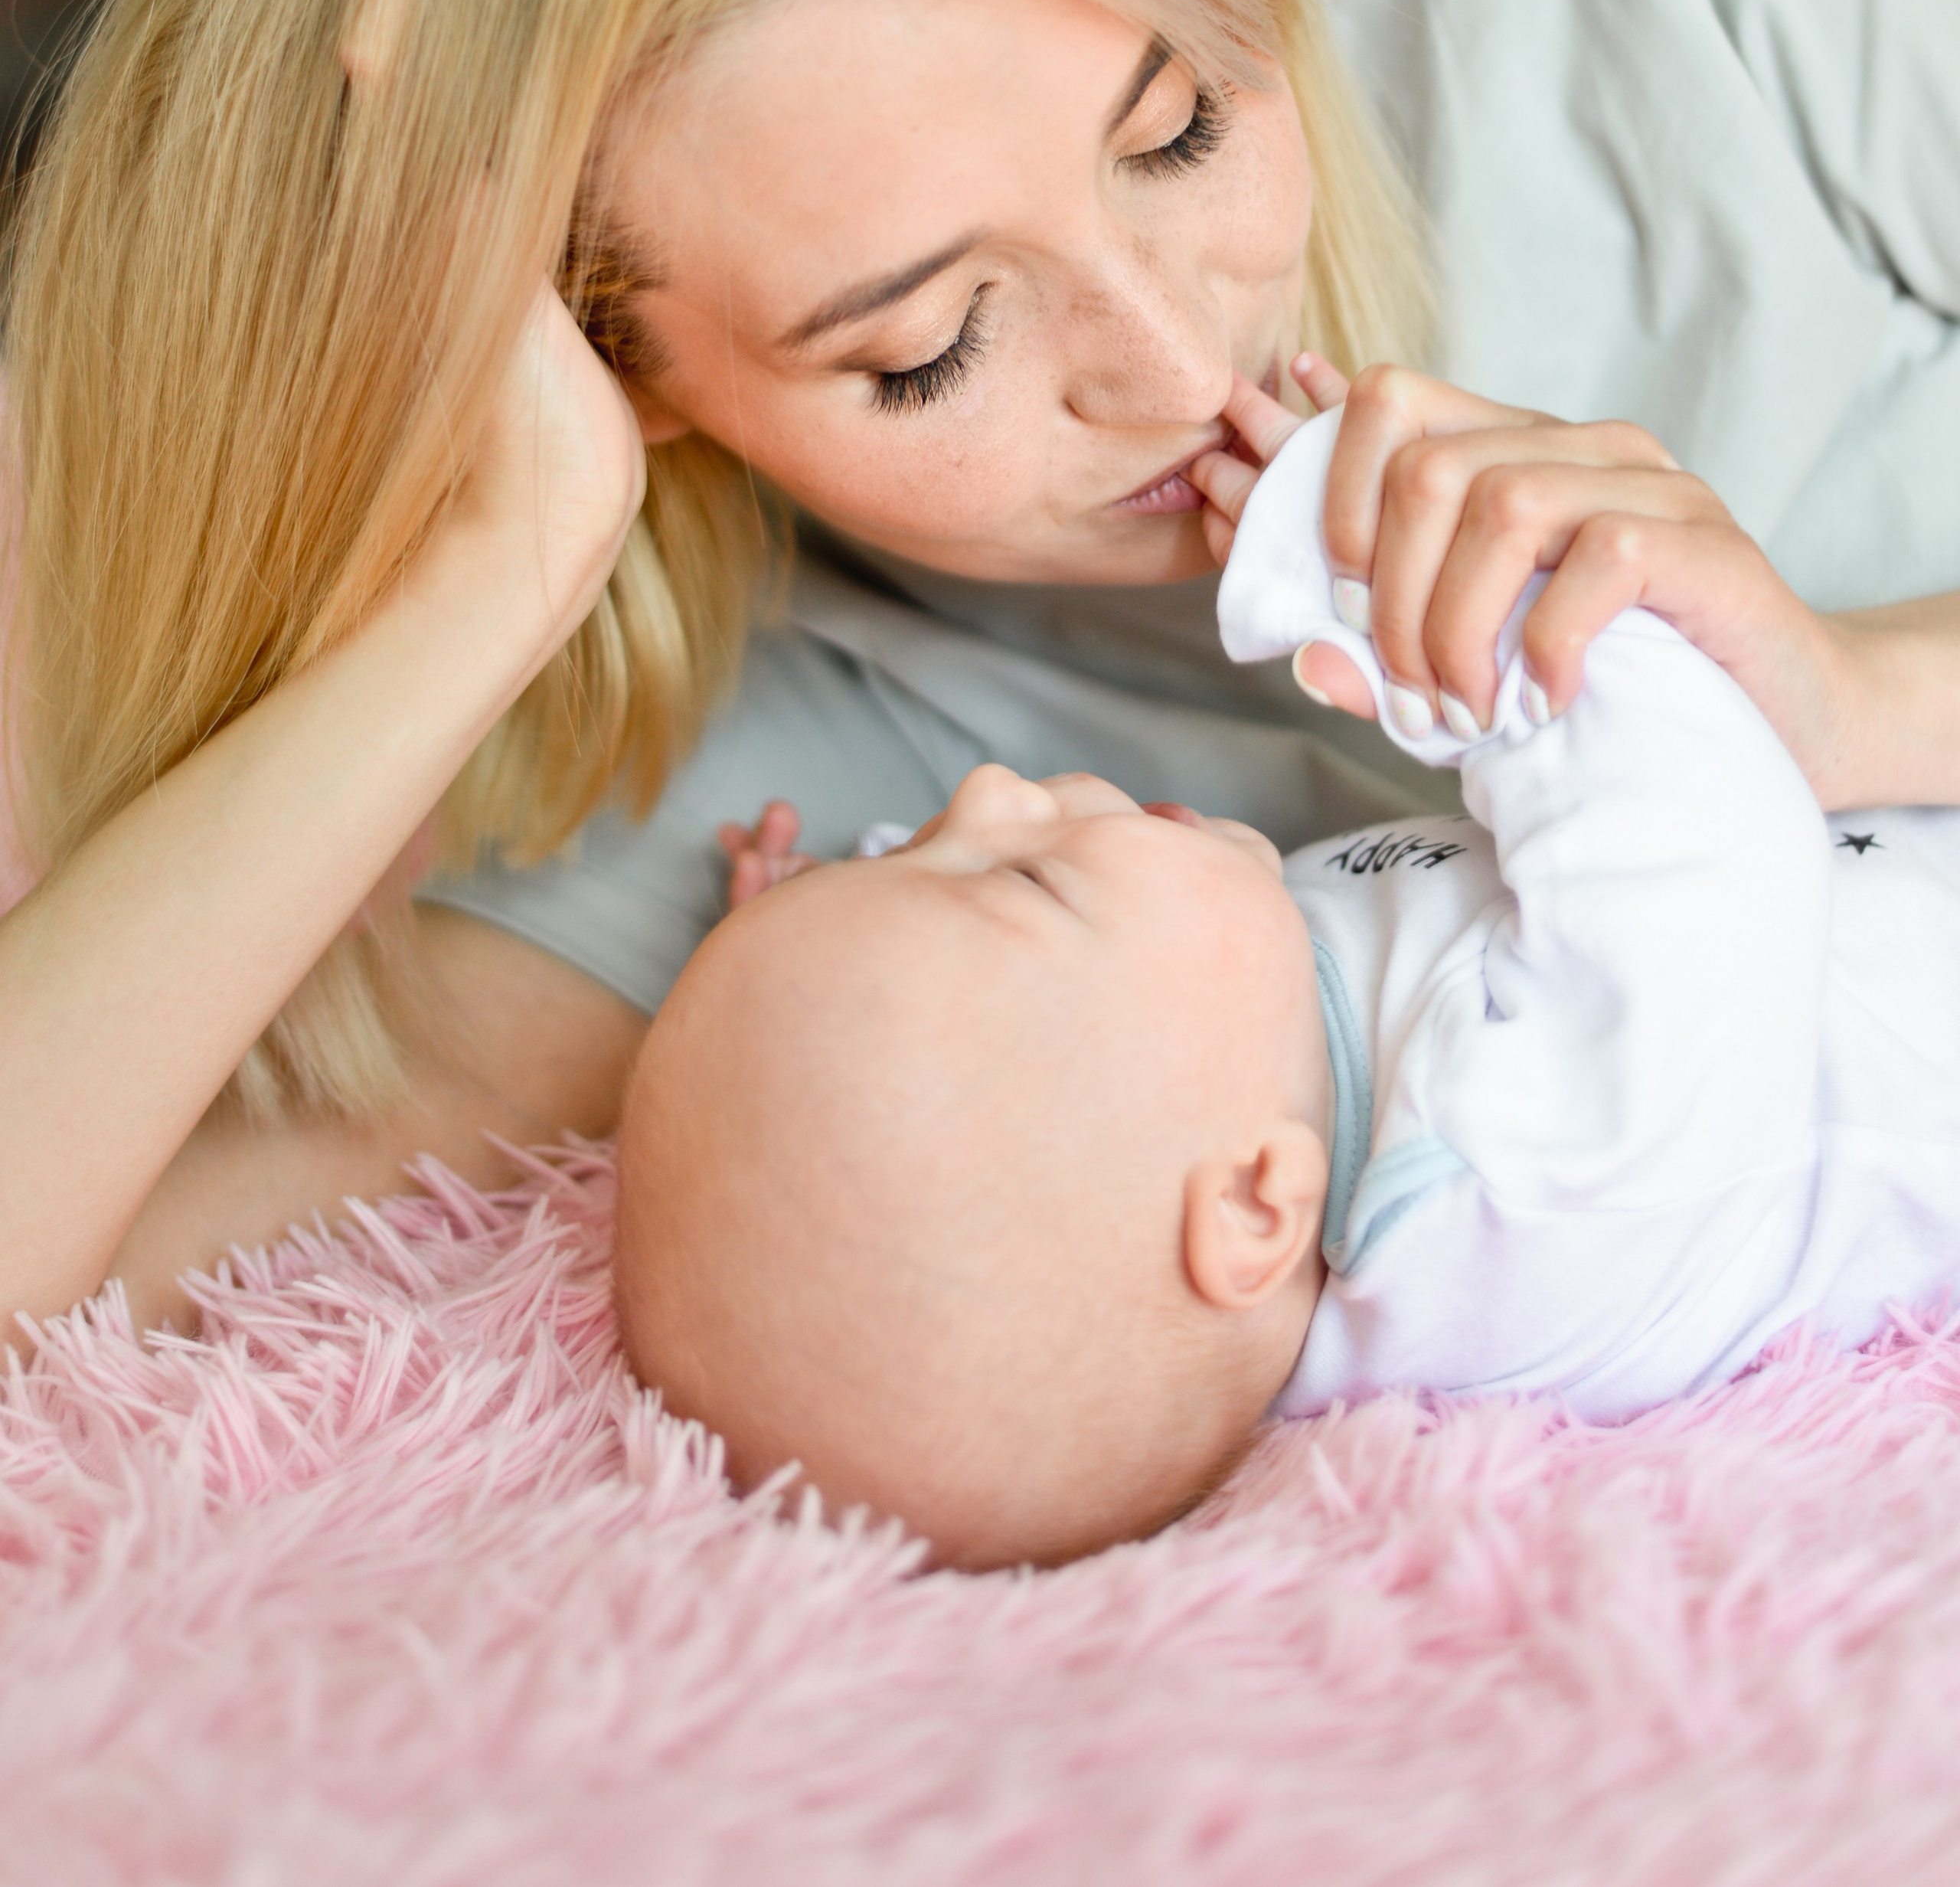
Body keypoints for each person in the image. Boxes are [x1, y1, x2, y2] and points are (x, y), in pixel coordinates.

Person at [3, 0, 1958, 1350]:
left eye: (1179, 121)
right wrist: (482, 568)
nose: (1176, 370)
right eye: (929, 347)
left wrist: (1856, 697)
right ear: (623, 366)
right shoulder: (804, 797)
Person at [614, 384, 1960, 1571]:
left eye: (929, 852)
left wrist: (820, 939)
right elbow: (1699, 826)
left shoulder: (1196, 1108)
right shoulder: (1522, 1192)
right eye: (1022, 877)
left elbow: (967, 1073)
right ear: (1255, 1207)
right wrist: (1370, 568)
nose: (985, 791)